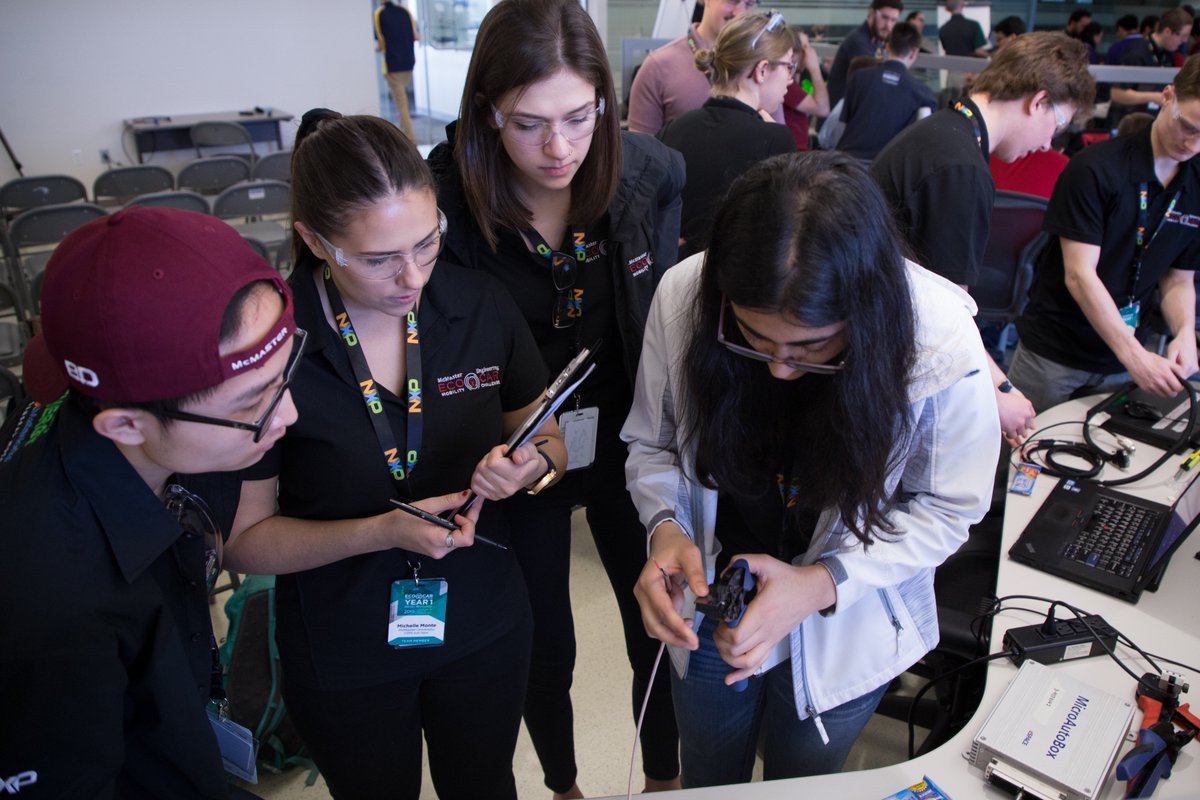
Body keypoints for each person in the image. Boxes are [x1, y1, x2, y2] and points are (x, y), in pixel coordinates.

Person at [624, 151, 1000, 788]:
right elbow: (653, 446)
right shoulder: (686, 297)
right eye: (753, 336)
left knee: (804, 781)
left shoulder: (938, 340)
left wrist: (822, 582)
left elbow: (949, 507)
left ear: (864, 313)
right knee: (710, 775)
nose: (779, 369)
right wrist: (666, 528)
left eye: (812, 346)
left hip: (849, 612)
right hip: (716, 594)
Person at [225, 110, 568, 800]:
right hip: (343, 639)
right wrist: (382, 530)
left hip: (482, 619)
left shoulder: (478, 307)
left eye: (427, 242)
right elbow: (242, 542)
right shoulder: (274, 347)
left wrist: (530, 467)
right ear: (315, 241)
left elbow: (551, 440)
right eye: (381, 259)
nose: (412, 277)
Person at [425, 1, 686, 796]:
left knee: (659, 619)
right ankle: (565, 784)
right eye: (528, 124)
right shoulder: (444, 206)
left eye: (579, 117)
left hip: (624, 432)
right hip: (512, 444)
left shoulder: (651, 173)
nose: (560, 148)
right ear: (485, 114)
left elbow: (667, 311)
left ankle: (666, 778)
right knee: (541, 637)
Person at [0, 206, 300, 797]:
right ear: (126, 425)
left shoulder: (171, 433)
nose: (287, 414)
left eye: (284, 373)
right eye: (250, 404)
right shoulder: (51, 605)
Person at [871, 31, 1095, 444]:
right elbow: (948, 318)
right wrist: (1000, 391)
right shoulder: (962, 167)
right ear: (1038, 101)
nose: (1049, 142)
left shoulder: (944, 132)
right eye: (1057, 125)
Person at [1008, 55, 1200, 413]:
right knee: (1023, 457)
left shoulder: (1195, 181)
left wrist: (1185, 332)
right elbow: (1079, 275)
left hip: (1124, 359)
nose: (1193, 144)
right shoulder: (1096, 169)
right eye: (1188, 126)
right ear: (1168, 97)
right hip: (1057, 350)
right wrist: (1134, 355)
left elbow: (1178, 278)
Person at [658, 11, 798, 257]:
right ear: (762, 70)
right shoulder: (775, 140)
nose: (791, 78)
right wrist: (774, 133)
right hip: (731, 286)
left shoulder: (673, 130)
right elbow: (778, 240)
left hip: (670, 284)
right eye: (789, 66)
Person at [627, 0, 763, 134]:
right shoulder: (657, 67)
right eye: (732, 1)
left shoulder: (762, 67)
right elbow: (640, 151)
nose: (739, 12)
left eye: (749, 4)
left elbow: (778, 144)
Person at [838, 21, 937, 161]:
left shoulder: (858, 78)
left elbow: (843, 126)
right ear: (915, 52)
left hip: (847, 163)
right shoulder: (923, 94)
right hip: (884, 168)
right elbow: (922, 143)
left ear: (887, 46)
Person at [1110, 9, 1194, 125]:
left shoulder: (1170, 54)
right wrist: (1153, 97)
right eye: (1183, 36)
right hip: (1128, 121)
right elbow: (1117, 93)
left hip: (1154, 120)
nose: (1184, 41)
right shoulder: (1137, 52)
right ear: (1168, 31)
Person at [827, 0, 904, 106]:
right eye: (885, 18)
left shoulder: (876, 40)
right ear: (872, 13)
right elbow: (874, 83)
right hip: (842, 115)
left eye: (893, 20)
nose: (889, 26)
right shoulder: (858, 42)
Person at [374, 0, 420, 141]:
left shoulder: (379, 14)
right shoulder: (405, 12)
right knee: (403, 102)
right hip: (408, 62)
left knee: (402, 105)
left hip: (393, 65)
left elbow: (380, 43)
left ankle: (410, 139)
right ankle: (406, 135)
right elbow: (416, 36)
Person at [780, 25, 831, 150]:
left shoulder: (794, 82)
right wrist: (815, 68)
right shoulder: (787, 84)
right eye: (804, 48)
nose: (809, 54)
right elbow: (823, 109)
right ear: (791, 53)